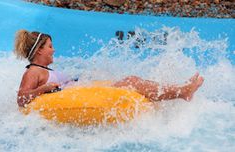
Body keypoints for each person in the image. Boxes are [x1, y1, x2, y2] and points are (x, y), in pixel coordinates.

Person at [14, 30, 204, 107]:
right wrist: (42, 90)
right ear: (39, 50)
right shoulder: (33, 72)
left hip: (81, 91)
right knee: (132, 82)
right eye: (49, 46)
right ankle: (182, 92)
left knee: (132, 79)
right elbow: (21, 98)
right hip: (78, 96)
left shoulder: (42, 70)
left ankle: (179, 90)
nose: (53, 50)